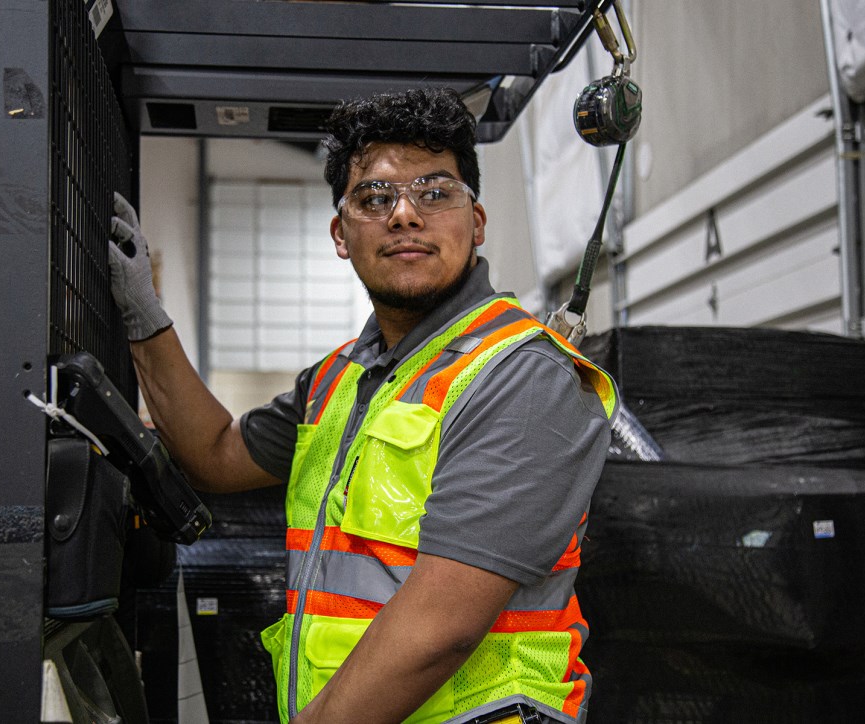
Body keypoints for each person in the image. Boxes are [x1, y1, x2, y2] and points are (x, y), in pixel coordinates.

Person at [107, 87, 617, 724]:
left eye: (435, 192)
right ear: (340, 234)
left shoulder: (521, 376)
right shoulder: (339, 379)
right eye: (375, 198)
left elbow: (442, 625)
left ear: (476, 221)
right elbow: (215, 454)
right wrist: (143, 318)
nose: (404, 214)